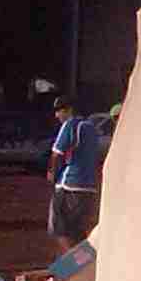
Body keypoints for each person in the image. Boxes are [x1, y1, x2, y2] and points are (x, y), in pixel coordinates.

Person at [46, 100, 114, 254]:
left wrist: (52, 173)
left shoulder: (71, 124)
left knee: (59, 229)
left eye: (59, 110)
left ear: (69, 110)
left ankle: (75, 265)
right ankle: (85, 263)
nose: (57, 115)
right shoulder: (91, 127)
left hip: (70, 184)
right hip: (89, 187)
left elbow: (57, 154)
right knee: (78, 232)